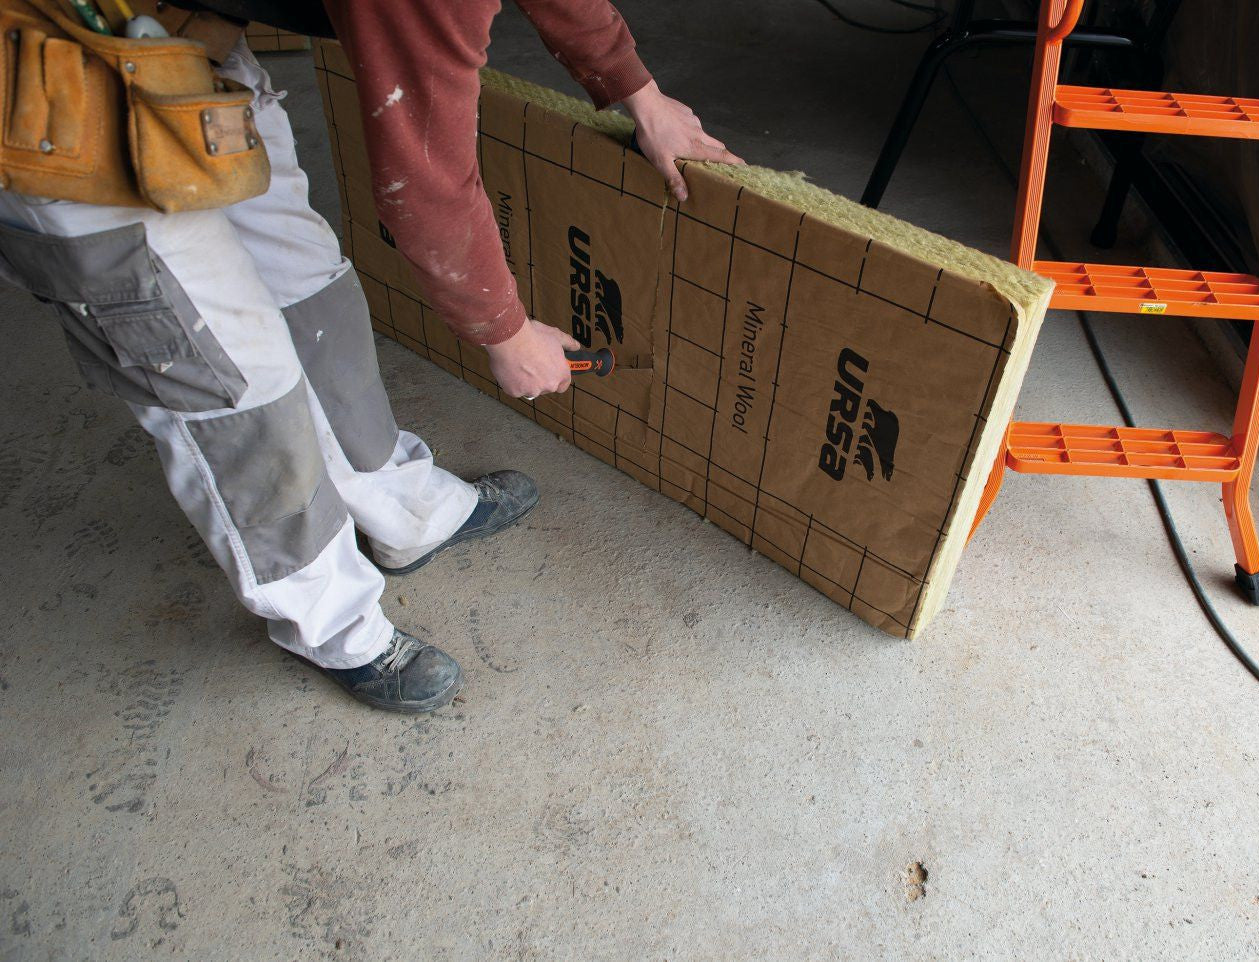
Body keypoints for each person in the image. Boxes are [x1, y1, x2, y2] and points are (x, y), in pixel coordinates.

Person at [0, 0, 741, 712]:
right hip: (60, 114)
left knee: (313, 300)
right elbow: (426, 183)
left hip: (182, 55)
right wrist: (507, 336)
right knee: (231, 388)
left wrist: (639, 92)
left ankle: (403, 512)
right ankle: (332, 625)